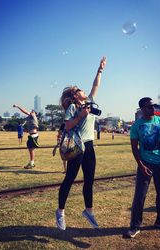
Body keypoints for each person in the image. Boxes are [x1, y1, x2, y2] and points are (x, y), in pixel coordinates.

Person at [55, 56, 107, 230]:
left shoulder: (90, 101)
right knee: (69, 179)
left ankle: (88, 211)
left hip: (90, 146)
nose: (83, 91)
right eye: (79, 90)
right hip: (77, 147)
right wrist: (81, 115)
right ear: (75, 96)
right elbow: (68, 125)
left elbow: (96, 85)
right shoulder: (73, 108)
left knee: (89, 180)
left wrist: (100, 70)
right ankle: (60, 212)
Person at [126, 97, 160, 238]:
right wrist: (141, 165)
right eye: (149, 107)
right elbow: (134, 148)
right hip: (145, 164)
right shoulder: (136, 126)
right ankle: (135, 226)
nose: (153, 109)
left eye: (153, 106)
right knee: (140, 196)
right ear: (142, 109)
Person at [13, 104, 40, 169]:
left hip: (33, 135)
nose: (31, 111)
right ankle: (31, 162)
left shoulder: (33, 116)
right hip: (32, 135)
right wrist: (27, 130)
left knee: (31, 149)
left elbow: (24, 111)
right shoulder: (30, 119)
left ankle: (32, 163)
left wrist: (18, 106)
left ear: (34, 113)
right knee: (30, 149)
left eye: (32, 111)